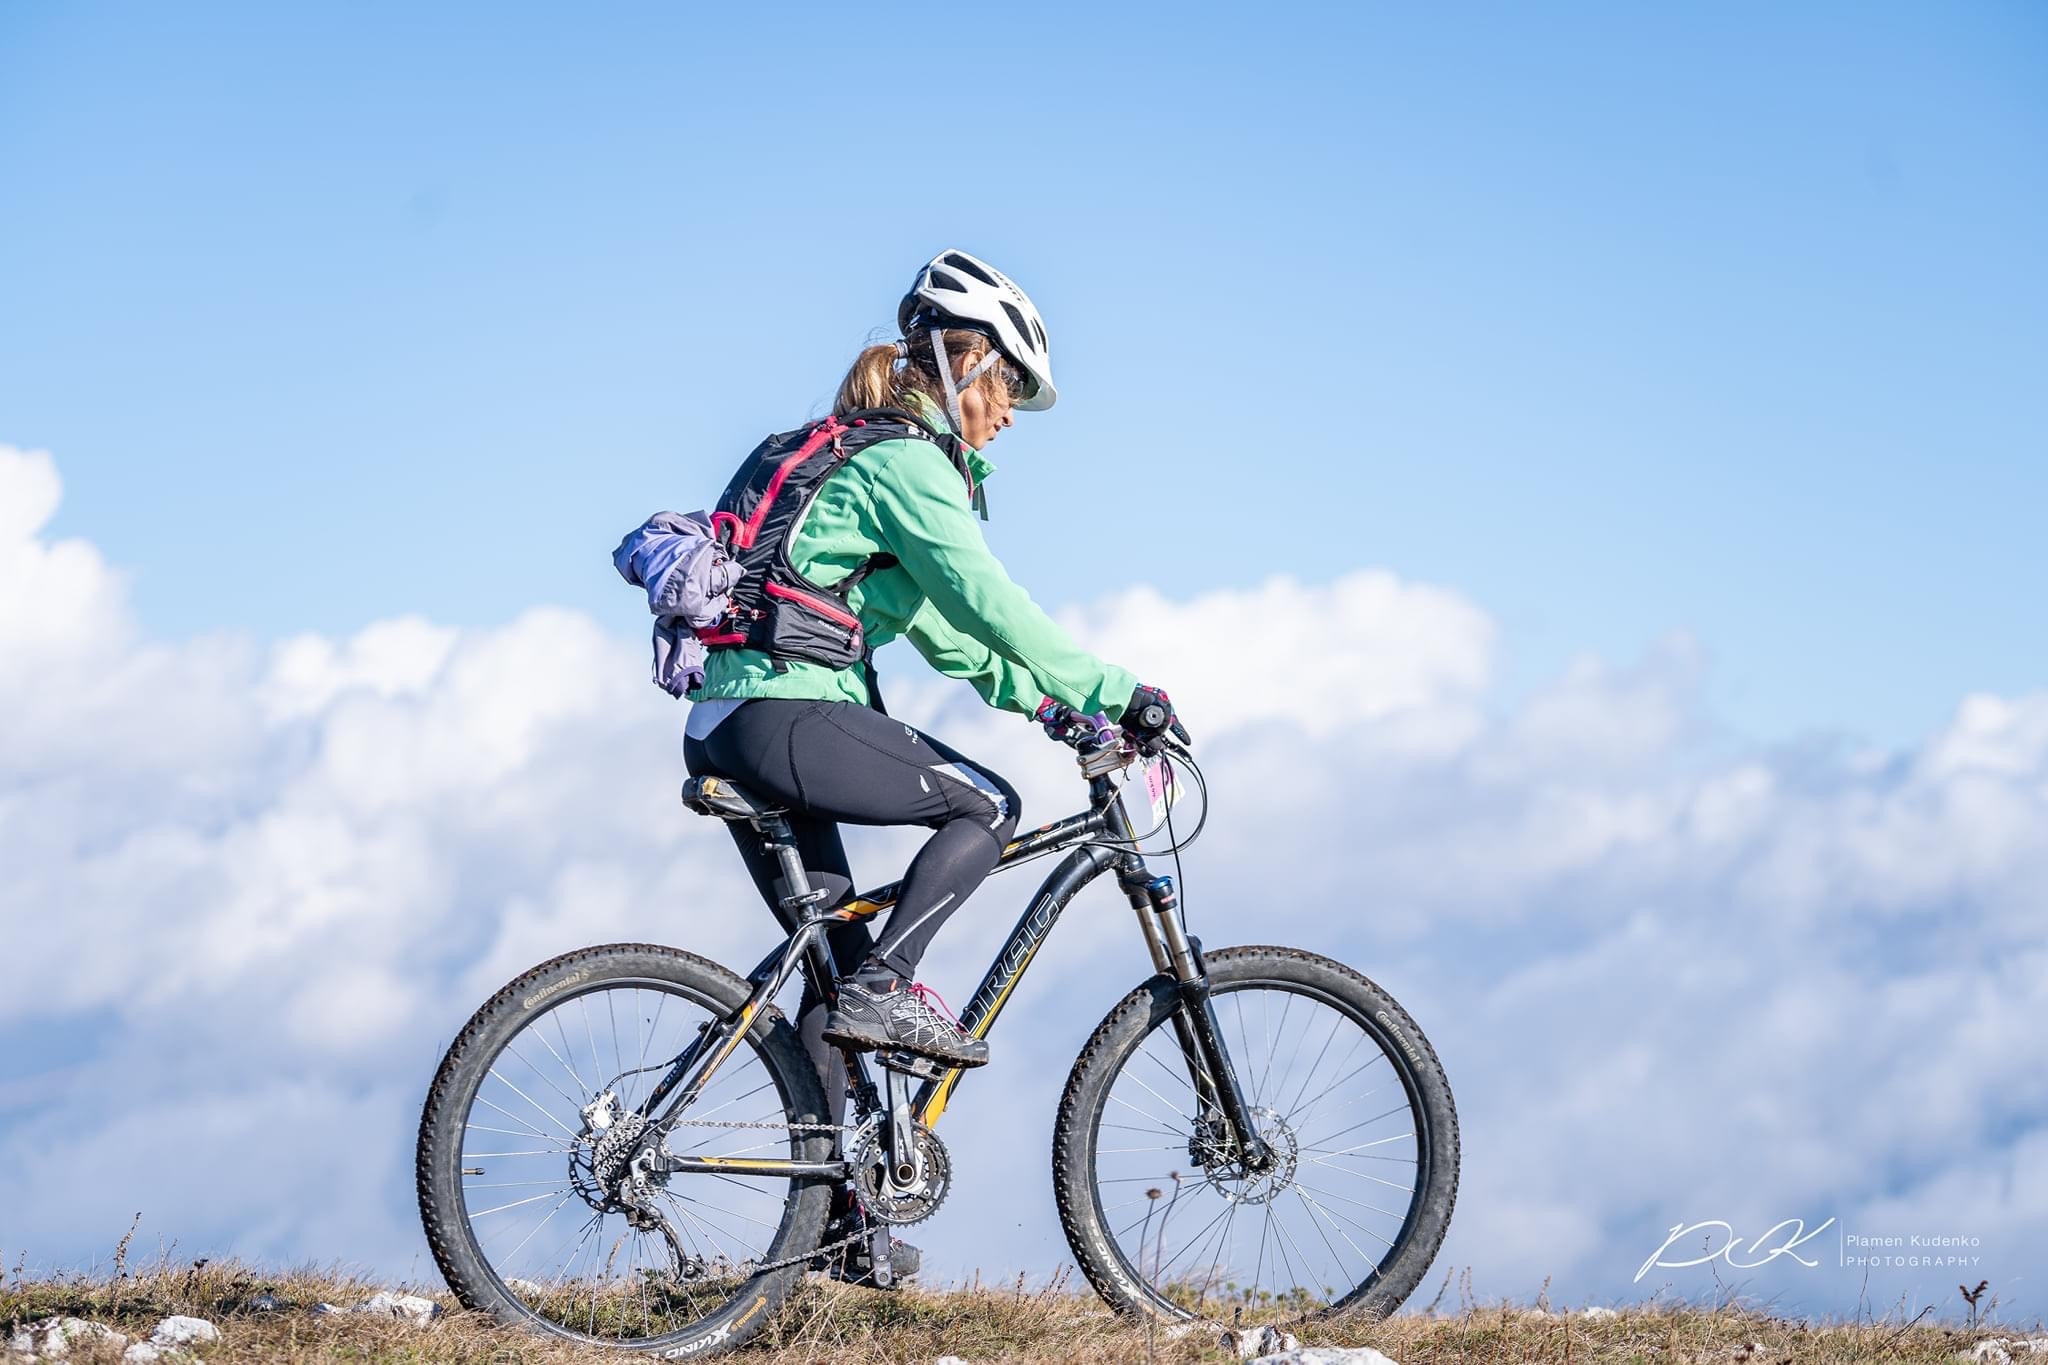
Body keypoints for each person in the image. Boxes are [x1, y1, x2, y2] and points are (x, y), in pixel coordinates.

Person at [679, 249, 1184, 1276]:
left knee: (830, 967)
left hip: (728, 718)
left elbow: (955, 644)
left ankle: (839, 1233)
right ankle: (888, 992)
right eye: (1007, 391)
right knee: (983, 809)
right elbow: (987, 604)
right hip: (786, 714)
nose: (1006, 417)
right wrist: (1112, 688)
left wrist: (1046, 704)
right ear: (967, 367)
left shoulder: (857, 450)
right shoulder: (909, 464)